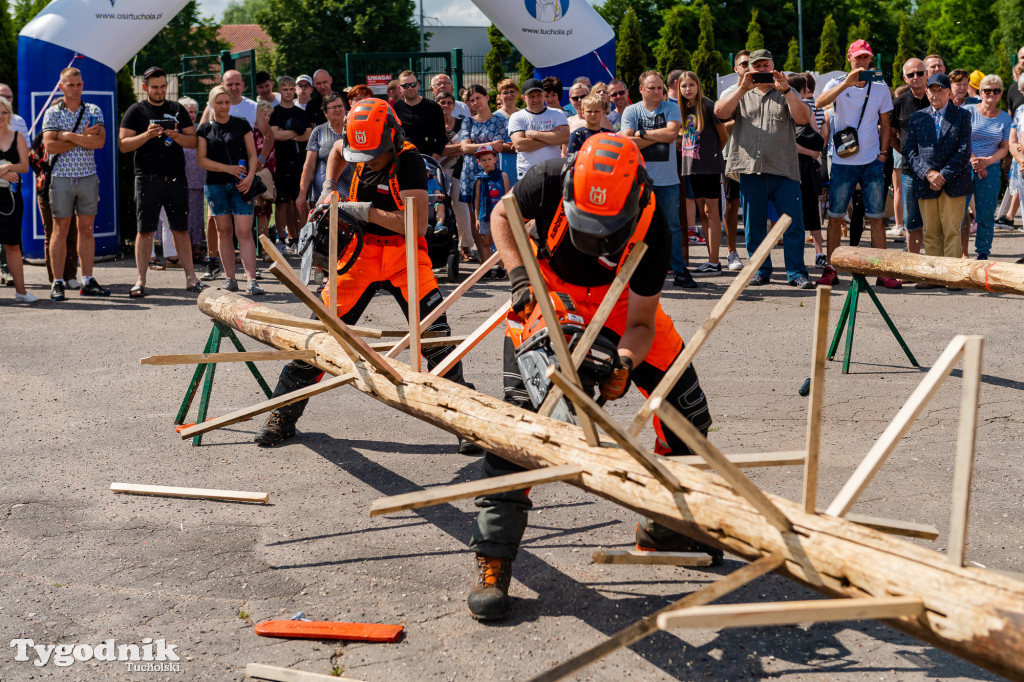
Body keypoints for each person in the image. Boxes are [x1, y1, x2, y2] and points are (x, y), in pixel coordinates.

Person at [465, 133, 715, 621]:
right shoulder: (549, 177)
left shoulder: (653, 226)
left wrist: (622, 361)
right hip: (547, 294)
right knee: (518, 430)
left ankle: (665, 527)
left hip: (622, 308)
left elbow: (642, 324)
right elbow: (502, 216)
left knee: (687, 416)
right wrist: (520, 277)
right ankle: (493, 558)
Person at [255, 98, 478, 454]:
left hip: (404, 254)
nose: (367, 161)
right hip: (360, 254)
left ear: (392, 137)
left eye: (373, 154)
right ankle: (282, 415)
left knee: (436, 339)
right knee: (320, 333)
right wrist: (329, 186)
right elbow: (339, 151)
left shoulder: (409, 162)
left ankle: (468, 423)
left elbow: (417, 225)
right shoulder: (356, 143)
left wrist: (361, 209)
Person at [715, 49, 813, 289]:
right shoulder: (739, 92)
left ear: (773, 67)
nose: (761, 70)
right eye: (756, 66)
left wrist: (787, 89)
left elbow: (803, 119)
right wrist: (742, 87)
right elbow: (719, 113)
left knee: (792, 224)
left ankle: (796, 273)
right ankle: (760, 270)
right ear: (749, 68)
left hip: (784, 168)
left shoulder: (786, 92)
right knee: (754, 225)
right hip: (751, 169)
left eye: (765, 65)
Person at [814, 39, 899, 289]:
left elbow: (885, 122)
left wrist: (883, 155)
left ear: (871, 59)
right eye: (857, 57)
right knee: (835, 216)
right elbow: (819, 104)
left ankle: (881, 271)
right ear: (849, 58)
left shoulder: (881, 86)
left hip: (872, 161)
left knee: (876, 218)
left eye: (865, 57)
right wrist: (846, 83)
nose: (862, 61)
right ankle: (832, 268)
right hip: (842, 161)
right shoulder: (836, 83)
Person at [118, 66, 203, 296]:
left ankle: (191, 278)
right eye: (155, 87)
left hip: (176, 178)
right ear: (145, 87)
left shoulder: (176, 109)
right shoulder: (136, 111)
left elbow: (193, 142)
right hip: (147, 178)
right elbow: (123, 145)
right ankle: (140, 281)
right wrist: (146, 135)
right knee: (145, 230)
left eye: (163, 86)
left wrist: (177, 136)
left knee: (180, 229)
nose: (160, 91)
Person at [621, 70, 697, 288]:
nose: (657, 91)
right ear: (641, 90)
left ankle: (680, 271)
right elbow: (627, 141)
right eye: (651, 88)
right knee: (636, 226)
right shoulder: (631, 110)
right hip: (638, 181)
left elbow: (672, 135)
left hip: (667, 181)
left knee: (672, 226)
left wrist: (642, 133)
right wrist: (655, 135)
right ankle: (637, 271)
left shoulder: (671, 107)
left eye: (659, 88)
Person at [42, 66, 110, 300]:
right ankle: (58, 281)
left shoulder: (93, 109)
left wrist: (68, 135)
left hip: (87, 176)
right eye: (70, 85)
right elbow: (49, 146)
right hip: (61, 177)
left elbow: (99, 142)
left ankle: (87, 280)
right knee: (60, 230)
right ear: (61, 86)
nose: (75, 88)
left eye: (79, 84)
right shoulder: (53, 112)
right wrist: (82, 138)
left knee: (87, 230)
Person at [196, 84, 262, 295]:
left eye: (227, 102)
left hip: (242, 184)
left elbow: (252, 154)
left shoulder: (241, 124)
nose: (224, 106)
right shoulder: (205, 129)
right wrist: (229, 169)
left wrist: (250, 177)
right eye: (220, 102)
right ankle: (230, 279)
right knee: (224, 232)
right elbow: (202, 160)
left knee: (244, 232)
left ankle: (251, 280)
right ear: (212, 104)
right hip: (215, 185)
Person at [904, 73, 973, 271]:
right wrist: (928, 173)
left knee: (951, 231)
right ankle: (933, 275)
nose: (935, 94)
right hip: (925, 182)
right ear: (926, 92)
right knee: (931, 232)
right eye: (931, 90)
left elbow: (964, 150)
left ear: (949, 93)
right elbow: (910, 150)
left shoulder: (962, 116)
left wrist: (942, 175)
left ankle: (950, 274)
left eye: (940, 90)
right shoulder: (917, 118)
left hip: (954, 182)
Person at [678, 71, 727, 275]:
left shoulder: (708, 106)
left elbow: (723, 136)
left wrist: (712, 155)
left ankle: (715, 261)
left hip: (709, 166)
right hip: (691, 167)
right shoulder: (681, 109)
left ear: (698, 86)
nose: (688, 89)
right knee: (701, 212)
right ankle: (710, 260)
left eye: (691, 85)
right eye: (684, 86)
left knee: (711, 211)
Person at [458, 83, 509, 271]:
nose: (475, 102)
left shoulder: (499, 120)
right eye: (471, 100)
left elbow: (499, 146)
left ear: (487, 97)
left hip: (492, 174)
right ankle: (484, 263)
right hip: (471, 174)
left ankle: (501, 261)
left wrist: (476, 147)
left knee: (496, 214)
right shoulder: (468, 121)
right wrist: (489, 145)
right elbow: (464, 147)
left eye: (478, 97)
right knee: (475, 217)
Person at [963, 75, 1010, 260]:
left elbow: (1005, 147)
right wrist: (975, 161)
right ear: (980, 92)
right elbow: (961, 140)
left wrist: (988, 162)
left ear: (1001, 94)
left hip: (990, 169)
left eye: (996, 90)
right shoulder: (967, 111)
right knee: (958, 213)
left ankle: (983, 253)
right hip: (965, 167)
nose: (991, 94)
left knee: (986, 214)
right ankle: (959, 253)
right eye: (987, 90)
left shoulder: (1006, 118)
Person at [29, 131, 79, 288]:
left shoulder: (72, 135)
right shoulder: (42, 135)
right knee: (52, 233)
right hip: (46, 190)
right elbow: (32, 157)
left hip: (70, 189)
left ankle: (70, 276)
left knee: (71, 233)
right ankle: (56, 279)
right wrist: (44, 173)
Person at [717, 50, 753, 272]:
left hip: (757, 156)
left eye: (752, 64)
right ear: (736, 68)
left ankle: (756, 254)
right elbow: (720, 126)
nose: (748, 67)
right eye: (744, 64)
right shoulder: (729, 94)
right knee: (732, 205)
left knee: (754, 206)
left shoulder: (761, 92)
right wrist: (740, 122)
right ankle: (732, 252)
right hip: (732, 155)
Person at [891, 58, 931, 255]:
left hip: (936, 170)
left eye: (920, 73)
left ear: (927, 74)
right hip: (909, 171)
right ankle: (912, 264)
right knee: (912, 221)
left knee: (934, 223)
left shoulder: (937, 99)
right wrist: (907, 152)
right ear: (904, 78)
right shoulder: (899, 103)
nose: (916, 77)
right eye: (911, 74)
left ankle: (935, 268)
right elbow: (890, 135)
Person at [271, 76, 313, 252]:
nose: (288, 92)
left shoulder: (301, 113)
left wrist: (286, 132)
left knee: (299, 202)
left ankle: (301, 237)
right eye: (285, 89)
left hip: (299, 162)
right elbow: (275, 135)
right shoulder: (275, 112)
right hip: (281, 163)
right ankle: (282, 239)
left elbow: (309, 134)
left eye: (290, 89)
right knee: (281, 203)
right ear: (279, 91)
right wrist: (295, 132)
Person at [0, 96, 34, 302]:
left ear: (9, 114)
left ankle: (21, 292)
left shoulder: (18, 136)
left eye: (4, 112)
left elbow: (24, 166)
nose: (0, 116)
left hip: (11, 198)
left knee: (12, 244)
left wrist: (8, 167)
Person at [435, 90, 473, 262]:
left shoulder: (462, 123)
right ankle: (438, 242)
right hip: (438, 171)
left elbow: (468, 146)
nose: (446, 106)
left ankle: (466, 247)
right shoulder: (433, 125)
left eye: (449, 103)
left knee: (461, 207)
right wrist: (458, 148)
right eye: (442, 102)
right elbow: (436, 150)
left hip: (459, 170)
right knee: (438, 206)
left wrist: (449, 150)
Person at [507, 78, 569, 180]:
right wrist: (552, 136)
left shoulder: (557, 113)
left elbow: (565, 138)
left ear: (543, 94)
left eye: (538, 95)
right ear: (523, 98)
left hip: (554, 173)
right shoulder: (517, 117)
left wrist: (536, 134)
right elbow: (520, 145)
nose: (536, 99)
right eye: (531, 96)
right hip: (528, 174)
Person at [298, 91, 346, 219]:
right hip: (323, 198)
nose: (338, 110)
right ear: (325, 113)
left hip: (351, 195)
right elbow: (308, 166)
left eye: (340, 106)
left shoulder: (354, 129)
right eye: (333, 107)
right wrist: (302, 195)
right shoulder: (318, 131)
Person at [470, 144, 509, 277]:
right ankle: (486, 268)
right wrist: (476, 218)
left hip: (500, 214)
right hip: (484, 213)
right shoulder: (479, 179)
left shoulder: (502, 175)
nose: (487, 162)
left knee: (501, 240)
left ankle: (502, 267)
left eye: (489, 159)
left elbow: (507, 195)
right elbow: (476, 200)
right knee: (485, 240)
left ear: (495, 159)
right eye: (483, 160)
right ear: (479, 162)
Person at [393, 70, 446, 160]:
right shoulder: (395, 108)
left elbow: (441, 137)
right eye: (405, 86)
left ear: (417, 85)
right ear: (399, 88)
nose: (410, 88)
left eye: (413, 84)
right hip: (401, 159)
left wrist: (433, 159)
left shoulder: (433, 107)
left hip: (426, 158)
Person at [178, 97, 206, 254]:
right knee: (182, 215)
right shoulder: (175, 131)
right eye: (189, 112)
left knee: (196, 215)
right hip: (181, 179)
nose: (193, 115)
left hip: (198, 179)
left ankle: (195, 248)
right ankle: (181, 249)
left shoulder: (199, 129)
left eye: (195, 112)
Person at [252, 100, 277, 257]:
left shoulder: (269, 134)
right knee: (247, 215)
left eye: (269, 115)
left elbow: (272, 157)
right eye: (263, 115)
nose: (266, 118)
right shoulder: (249, 132)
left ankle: (264, 249)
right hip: (248, 176)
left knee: (264, 213)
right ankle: (246, 250)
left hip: (265, 177)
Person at [492, 79, 520, 188]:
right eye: (505, 92)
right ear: (500, 96)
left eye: (512, 91)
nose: (509, 95)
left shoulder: (524, 114)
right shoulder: (494, 117)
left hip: (522, 160)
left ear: (517, 93)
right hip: (502, 161)